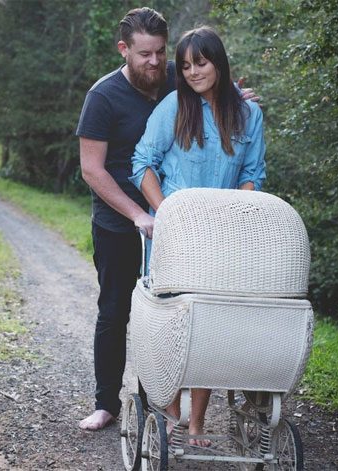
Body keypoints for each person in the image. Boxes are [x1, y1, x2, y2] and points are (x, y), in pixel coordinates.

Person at [76, 8, 258, 431]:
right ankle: (106, 403)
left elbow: (215, 87)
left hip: (183, 225)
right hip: (121, 219)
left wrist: (240, 100)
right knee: (117, 309)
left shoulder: (178, 74)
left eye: (160, 52)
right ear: (124, 50)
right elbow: (92, 169)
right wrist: (141, 214)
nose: (156, 62)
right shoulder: (102, 97)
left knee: (172, 313)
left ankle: (156, 404)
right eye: (145, 54)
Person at [129, 26, 266, 445]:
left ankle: (196, 424)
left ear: (219, 64)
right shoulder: (173, 107)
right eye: (185, 65)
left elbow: (252, 175)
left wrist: (238, 214)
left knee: (209, 329)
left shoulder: (248, 115)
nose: (192, 73)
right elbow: (141, 163)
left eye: (200, 63)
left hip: (222, 237)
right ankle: (171, 415)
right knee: (173, 325)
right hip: (174, 235)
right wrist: (164, 212)